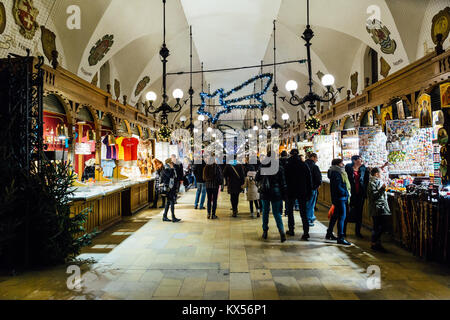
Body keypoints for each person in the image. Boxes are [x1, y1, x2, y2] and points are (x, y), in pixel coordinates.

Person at [256, 151, 287, 242]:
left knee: (265, 212)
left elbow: (257, 178)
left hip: (265, 192)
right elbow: (283, 182)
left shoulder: (262, 166)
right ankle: (281, 232)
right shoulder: (279, 167)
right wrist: (284, 194)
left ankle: (265, 231)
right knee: (276, 213)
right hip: (276, 193)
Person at [284, 149, 313, 240]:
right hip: (302, 191)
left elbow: (284, 179)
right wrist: (309, 192)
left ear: (291, 155)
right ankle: (306, 232)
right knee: (303, 213)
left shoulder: (288, 165)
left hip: (290, 191)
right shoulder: (304, 165)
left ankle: (291, 230)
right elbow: (309, 179)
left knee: (290, 211)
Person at [326, 158, 351, 245]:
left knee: (335, 216)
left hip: (338, 197)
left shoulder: (335, 172)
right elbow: (338, 186)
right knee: (342, 217)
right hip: (340, 198)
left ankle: (329, 233)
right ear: (337, 164)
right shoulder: (336, 173)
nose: (343, 164)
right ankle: (340, 237)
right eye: (341, 163)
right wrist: (345, 193)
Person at [345, 155, 369, 238]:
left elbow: (366, 180)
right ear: (354, 161)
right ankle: (343, 231)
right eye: (359, 159)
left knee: (359, 213)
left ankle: (358, 232)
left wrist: (364, 190)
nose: (361, 161)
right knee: (346, 212)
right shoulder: (347, 168)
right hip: (350, 194)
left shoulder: (363, 168)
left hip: (360, 194)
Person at [367, 167, 391, 252]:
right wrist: (382, 188)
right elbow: (374, 196)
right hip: (377, 207)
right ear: (376, 174)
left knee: (380, 226)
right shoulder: (372, 182)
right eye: (381, 173)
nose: (382, 175)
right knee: (378, 227)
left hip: (381, 206)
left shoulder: (377, 181)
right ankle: (374, 243)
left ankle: (377, 243)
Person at [160, 158, 181, 223]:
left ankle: (165, 216)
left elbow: (175, 176)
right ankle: (173, 217)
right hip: (168, 187)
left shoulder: (169, 168)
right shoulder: (165, 169)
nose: (173, 163)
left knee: (169, 202)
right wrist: (172, 168)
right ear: (169, 163)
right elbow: (170, 176)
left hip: (171, 187)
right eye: (172, 162)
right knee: (171, 201)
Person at [305, 153, 322, 226]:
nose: (317, 160)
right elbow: (318, 178)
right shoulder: (314, 167)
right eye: (316, 158)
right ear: (313, 157)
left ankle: (307, 218)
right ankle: (309, 219)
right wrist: (317, 185)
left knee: (305, 204)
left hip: (304, 189)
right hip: (312, 188)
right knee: (311, 204)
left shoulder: (303, 165)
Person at [279, 150, 289, 216]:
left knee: (279, 198)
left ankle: (280, 211)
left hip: (279, 182)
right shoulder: (289, 161)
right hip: (288, 182)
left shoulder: (277, 162)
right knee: (287, 198)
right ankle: (286, 211)